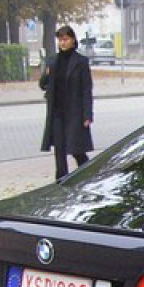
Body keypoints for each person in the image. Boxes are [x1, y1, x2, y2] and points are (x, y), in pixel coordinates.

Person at [39, 25, 94, 181]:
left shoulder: (81, 62)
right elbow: (43, 84)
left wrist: (87, 115)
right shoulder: (53, 61)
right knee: (60, 149)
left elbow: (86, 90)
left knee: (77, 150)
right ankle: (61, 180)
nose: (62, 43)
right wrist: (47, 74)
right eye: (60, 40)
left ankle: (88, 175)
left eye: (65, 39)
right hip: (57, 112)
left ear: (73, 40)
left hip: (75, 112)